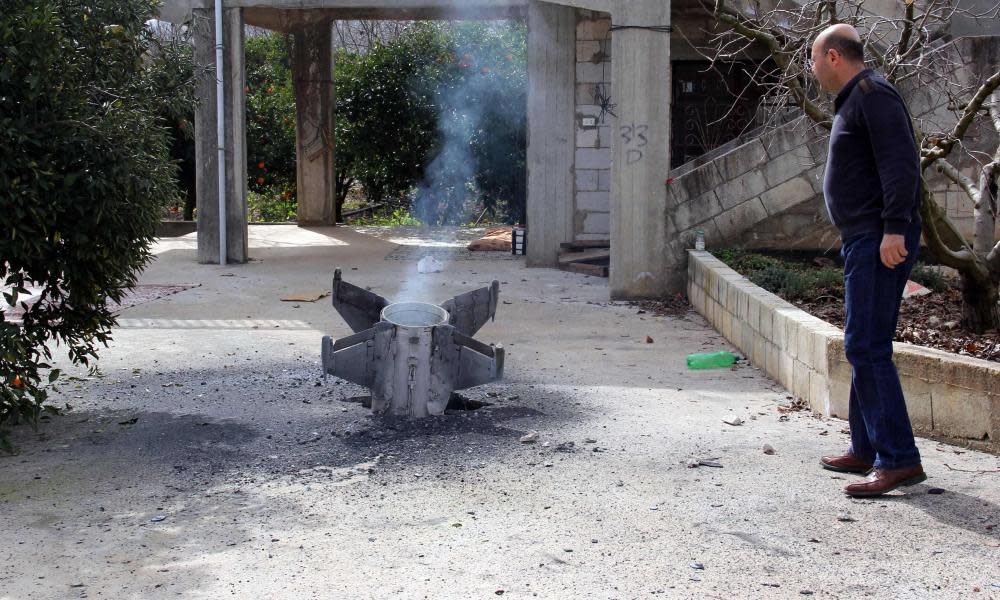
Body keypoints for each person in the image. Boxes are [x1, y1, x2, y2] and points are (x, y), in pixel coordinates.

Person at [810, 23, 927, 497]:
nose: (811, 68)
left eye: (814, 58)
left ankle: (898, 459)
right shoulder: (857, 98)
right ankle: (866, 449)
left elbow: (901, 165)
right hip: (864, 235)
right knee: (863, 342)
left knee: (867, 345)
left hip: (880, 236)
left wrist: (894, 229)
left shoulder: (874, 95)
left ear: (834, 57)